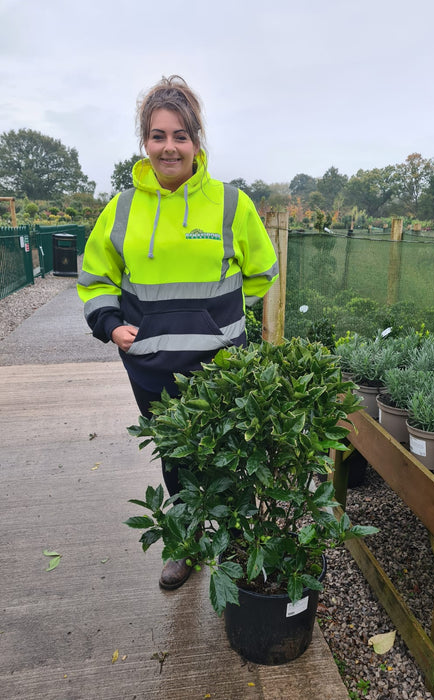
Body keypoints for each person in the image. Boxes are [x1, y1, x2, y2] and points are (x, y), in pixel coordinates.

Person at [77, 75, 278, 590]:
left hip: (221, 365)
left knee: (233, 454)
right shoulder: (121, 209)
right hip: (151, 366)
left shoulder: (231, 204)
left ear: (197, 141)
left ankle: (235, 544)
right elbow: (97, 275)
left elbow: (260, 272)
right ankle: (187, 545)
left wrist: (218, 318)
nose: (170, 147)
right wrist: (110, 323)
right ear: (145, 142)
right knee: (179, 458)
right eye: (158, 135)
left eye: (181, 135)